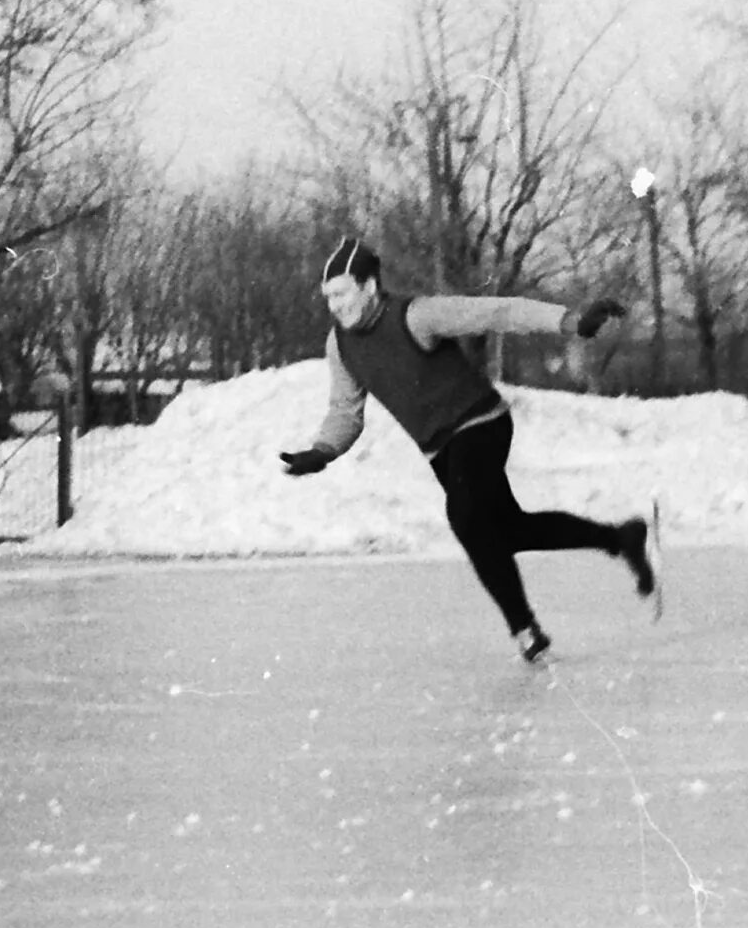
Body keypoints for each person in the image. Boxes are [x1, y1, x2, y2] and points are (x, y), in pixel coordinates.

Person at [281, 236, 658, 664]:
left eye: (342, 293)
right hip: (440, 450)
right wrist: (322, 450)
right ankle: (620, 537)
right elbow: (346, 410)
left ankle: (524, 629)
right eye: (328, 296)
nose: (335, 305)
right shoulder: (341, 345)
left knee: (464, 517)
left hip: (481, 423)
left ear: (369, 287)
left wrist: (570, 321)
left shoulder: (417, 316)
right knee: (509, 530)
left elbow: (500, 311)